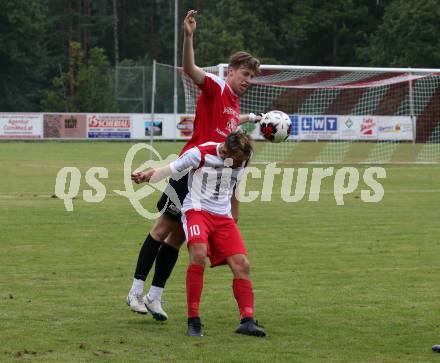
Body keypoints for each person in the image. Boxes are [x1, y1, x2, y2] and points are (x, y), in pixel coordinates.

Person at [126, 9, 262, 320]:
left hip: (206, 179)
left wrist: (249, 119)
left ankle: (154, 296)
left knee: (179, 237)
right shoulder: (215, 86)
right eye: (246, 75)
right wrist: (188, 37)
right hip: (190, 168)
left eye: (252, 77)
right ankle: (135, 292)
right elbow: (190, 68)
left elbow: (227, 125)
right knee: (162, 229)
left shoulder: (234, 103)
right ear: (231, 71)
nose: (249, 81)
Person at [132, 131, 266, 337]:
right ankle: (193, 321)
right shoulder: (199, 153)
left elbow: (236, 186)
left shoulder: (243, 158)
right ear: (224, 151)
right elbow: (168, 169)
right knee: (198, 253)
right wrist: (145, 176)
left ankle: (247, 321)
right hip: (197, 210)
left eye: (243, 162)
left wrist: (234, 216)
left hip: (223, 216)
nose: (240, 165)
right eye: (236, 161)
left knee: (242, 265)